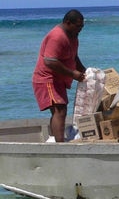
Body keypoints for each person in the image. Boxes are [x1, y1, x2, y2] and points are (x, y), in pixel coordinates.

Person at [32, 9, 86, 142]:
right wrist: (73, 73)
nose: (80, 29)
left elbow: (73, 57)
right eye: (78, 26)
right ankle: (60, 145)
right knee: (60, 110)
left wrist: (85, 71)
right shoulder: (57, 36)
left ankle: (56, 141)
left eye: (82, 26)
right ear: (68, 23)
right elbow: (50, 61)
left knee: (59, 110)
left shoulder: (73, 36)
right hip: (47, 79)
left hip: (59, 79)